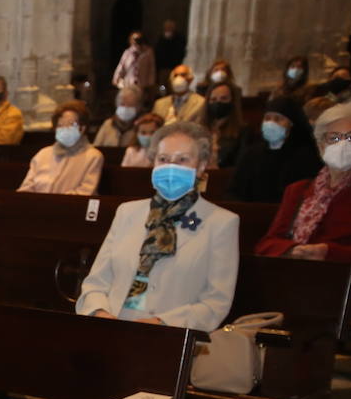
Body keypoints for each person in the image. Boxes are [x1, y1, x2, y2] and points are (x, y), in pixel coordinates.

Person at [76, 120, 238, 331]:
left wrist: (162, 324)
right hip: (112, 329)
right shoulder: (128, 212)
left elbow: (216, 302)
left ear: (200, 166)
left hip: (171, 336)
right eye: (163, 159)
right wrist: (99, 312)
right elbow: (96, 282)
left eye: (182, 160)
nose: (171, 166)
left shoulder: (221, 222)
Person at [255, 102, 351, 312]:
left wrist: (330, 253)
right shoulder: (297, 191)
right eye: (333, 138)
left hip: (345, 297)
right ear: (320, 145)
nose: (342, 144)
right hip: (290, 287)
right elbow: (266, 244)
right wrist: (292, 250)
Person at [226, 96, 322, 203]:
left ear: (291, 124)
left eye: (278, 119)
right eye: (267, 118)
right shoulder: (251, 154)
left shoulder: (305, 156)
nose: (271, 123)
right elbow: (234, 191)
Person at [18, 100, 104, 195]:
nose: (64, 129)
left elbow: (85, 191)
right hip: (38, 206)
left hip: (70, 207)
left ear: (82, 128)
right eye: (60, 125)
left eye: (70, 124)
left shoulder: (93, 156)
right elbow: (26, 188)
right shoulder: (43, 154)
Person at [205, 81, 245, 168]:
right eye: (213, 99)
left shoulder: (243, 132)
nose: (218, 103)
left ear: (232, 101)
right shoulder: (199, 129)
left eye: (223, 98)